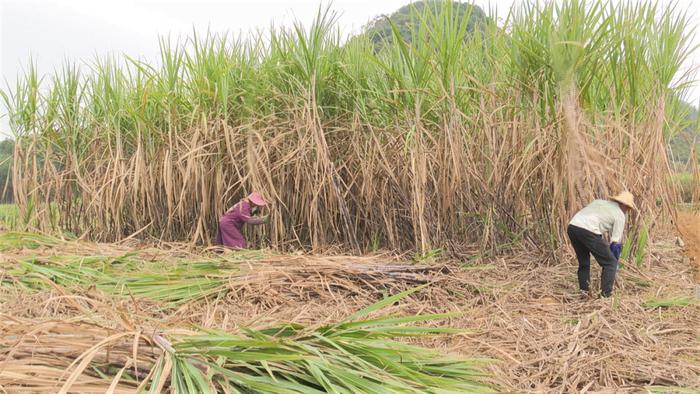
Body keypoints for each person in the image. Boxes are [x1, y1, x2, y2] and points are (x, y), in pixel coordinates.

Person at [567, 191, 637, 298]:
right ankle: (605, 295)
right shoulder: (619, 214)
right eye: (627, 208)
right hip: (588, 230)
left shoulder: (598, 202)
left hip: (573, 227)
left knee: (584, 263)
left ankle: (584, 293)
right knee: (610, 263)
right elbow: (615, 243)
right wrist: (614, 261)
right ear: (623, 204)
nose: (627, 210)